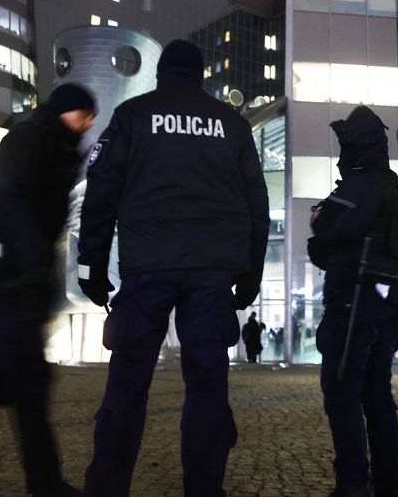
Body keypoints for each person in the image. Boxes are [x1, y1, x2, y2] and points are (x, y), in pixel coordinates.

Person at [76, 38, 269, 497]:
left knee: (127, 385)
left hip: (147, 268)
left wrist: (92, 268)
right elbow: (256, 205)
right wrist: (250, 273)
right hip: (210, 273)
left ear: (162, 73)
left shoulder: (133, 116)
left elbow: (100, 193)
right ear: (200, 75)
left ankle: (106, 488)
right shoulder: (232, 124)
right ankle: (204, 490)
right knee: (207, 387)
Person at [0, 83, 97, 497]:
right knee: (12, 384)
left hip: (24, 282)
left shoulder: (59, 148)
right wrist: (35, 262)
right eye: (84, 114)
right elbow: (14, 202)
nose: (88, 122)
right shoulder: (29, 140)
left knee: (14, 384)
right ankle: (36, 481)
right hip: (9, 281)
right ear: (65, 111)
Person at [308, 106, 398, 497]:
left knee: (342, 388)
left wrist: (323, 226)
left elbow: (324, 226)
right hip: (389, 298)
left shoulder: (361, 185)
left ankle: (352, 483)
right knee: (377, 393)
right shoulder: (396, 188)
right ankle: (390, 484)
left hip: (356, 298)